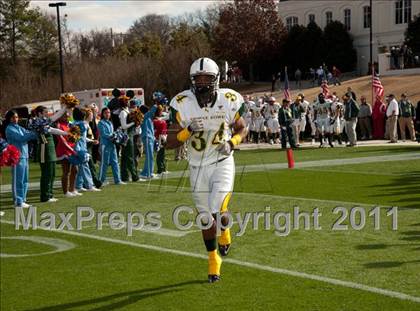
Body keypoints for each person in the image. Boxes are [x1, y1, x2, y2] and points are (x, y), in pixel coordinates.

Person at [167, 57, 247, 283]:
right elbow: (169, 142)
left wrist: (232, 143)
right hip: (196, 166)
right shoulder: (182, 102)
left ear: (216, 80)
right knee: (205, 218)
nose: (201, 83)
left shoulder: (229, 99)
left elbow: (242, 128)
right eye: (197, 79)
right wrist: (187, 131)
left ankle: (225, 236)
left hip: (222, 161)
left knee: (217, 207)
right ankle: (213, 258)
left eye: (206, 79)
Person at [33, 105, 68, 202]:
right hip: (44, 148)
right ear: (39, 113)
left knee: (52, 173)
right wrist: (65, 107)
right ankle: (44, 196)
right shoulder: (37, 121)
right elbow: (55, 117)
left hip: (51, 148)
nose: (47, 114)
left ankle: (50, 194)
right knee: (46, 173)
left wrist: (67, 133)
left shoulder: (44, 122)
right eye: (45, 112)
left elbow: (53, 130)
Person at [4, 110, 38, 208]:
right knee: (18, 179)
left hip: (25, 156)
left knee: (25, 179)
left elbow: (31, 135)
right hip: (16, 157)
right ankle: (18, 200)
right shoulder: (9, 129)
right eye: (13, 117)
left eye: (17, 117)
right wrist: (33, 132)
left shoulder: (19, 127)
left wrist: (39, 130)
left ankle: (23, 199)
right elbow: (21, 138)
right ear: (9, 118)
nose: (15, 119)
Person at [72, 107, 101, 192]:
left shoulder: (73, 123)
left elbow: (81, 137)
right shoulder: (83, 124)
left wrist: (91, 141)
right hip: (81, 148)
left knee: (81, 167)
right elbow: (83, 138)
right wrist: (92, 140)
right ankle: (90, 186)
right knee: (85, 166)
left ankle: (79, 185)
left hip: (75, 147)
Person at [98, 107, 125, 185]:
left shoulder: (110, 123)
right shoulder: (101, 123)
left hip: (112, 145)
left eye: (109, 112)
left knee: (115, 162)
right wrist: (113, 136)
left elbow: (112, 133)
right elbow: (104, 134)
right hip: (105, 145)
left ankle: (118, 180)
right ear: (103, 114)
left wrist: (117, 135)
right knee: (104, 163)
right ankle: (100, 181)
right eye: (106, 113)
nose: (108, 114)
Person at [56, 111, 79, 197]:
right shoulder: (58, 125)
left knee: (75, 170)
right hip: (64, 150)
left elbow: (75, 136)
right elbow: (62, 140)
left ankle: (72, 189)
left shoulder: (70, 125)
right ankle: (66, 192)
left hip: (72, 149)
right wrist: (71, 150)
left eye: (68, 116)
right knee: (66, 171)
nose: (66, 118)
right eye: (64, 116)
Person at [119, 96, 140, 182]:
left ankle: (125, 176)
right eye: (127, 101)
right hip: (127, 136)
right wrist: (133, 123)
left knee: (124, 158)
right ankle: (135, 176)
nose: (128, 102)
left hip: (129, 135)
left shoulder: (128, 111)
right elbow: (124, 126)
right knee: (130, 157)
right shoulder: (123, 113)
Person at [153, 105, 168, 175]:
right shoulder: (154, 120)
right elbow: (154, 129)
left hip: (164, 136)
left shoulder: (161, 118)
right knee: (160, 154)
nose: (162, 111)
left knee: (163, 153)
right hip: (159, 137)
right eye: (160, 110)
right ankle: (160, 169)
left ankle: (163, 168)